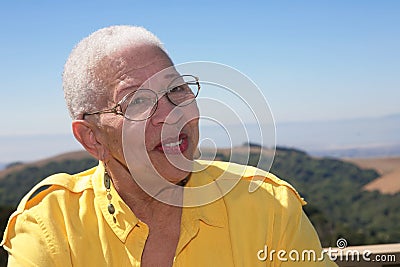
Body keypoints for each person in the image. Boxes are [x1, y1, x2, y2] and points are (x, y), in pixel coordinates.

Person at [1, 25, 337, 266]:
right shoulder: (52, 226)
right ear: (93, 138)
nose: (172, 115)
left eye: (176, 89)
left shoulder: (269, 206)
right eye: (137, 102)